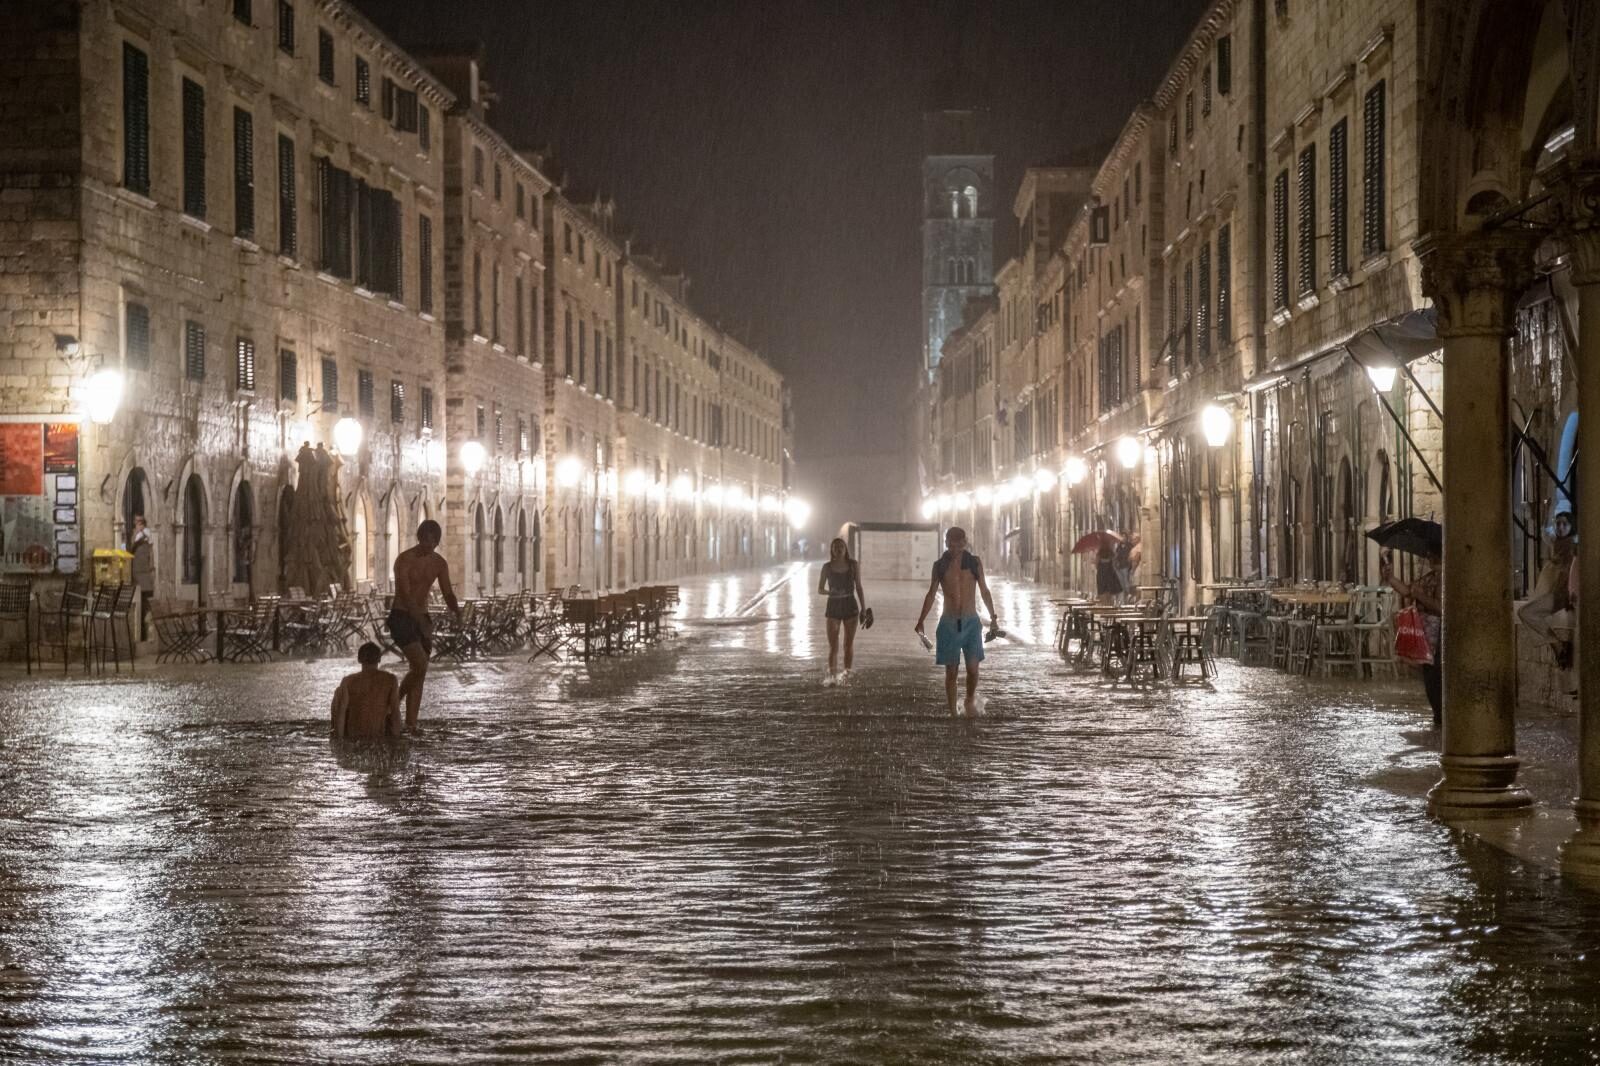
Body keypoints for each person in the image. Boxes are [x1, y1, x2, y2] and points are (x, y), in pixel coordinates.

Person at [914, 526, 998, 715]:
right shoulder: (940, 565)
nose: (955, 551)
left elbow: (984, 590)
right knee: (951, 672)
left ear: (965, 543)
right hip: (949, 623)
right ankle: (953, 713)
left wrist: (993, 617)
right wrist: (921, 620)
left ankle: (969, 701)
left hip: (971, 622)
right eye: (952, 546)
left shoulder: (974, 563)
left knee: (973, 669)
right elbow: (931, 594)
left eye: (959, 546)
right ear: (946, 544)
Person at [389, 519, 460, 731]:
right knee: (420, 664)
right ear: (418, 538)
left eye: (432, 543)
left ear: (437, 542)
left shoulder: (439, 563)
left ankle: (411, 723)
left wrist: (456, 611)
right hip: (401, 616)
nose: (428, 547)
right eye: (424, 541)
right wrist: (419, 621)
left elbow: (447, 592)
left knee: (419, 673)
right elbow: (405, 593)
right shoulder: (404, 560)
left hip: (423, 616)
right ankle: (393, 704)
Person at [1383, 548, 1441, 729]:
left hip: (1439, 634)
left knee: (1436, 676)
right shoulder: (1430, 577)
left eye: (1433, 554)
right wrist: (1391, 579)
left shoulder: (1446, 579)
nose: (1429, 557)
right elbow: (1408, 591)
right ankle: (1438, 717)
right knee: (1429, 675)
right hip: (1427, 634)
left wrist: (1420, 595)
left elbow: (1441, 608)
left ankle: (1441, 717)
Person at [1517, 511, 1575, 669]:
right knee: (1525, 613)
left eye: (1565, 524)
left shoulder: (1572, 546)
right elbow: (1544, 532)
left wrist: (1570, 595)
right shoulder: (1555, 543)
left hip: (1562, 595)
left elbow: (1572, 574)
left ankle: (1557, 645)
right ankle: (1556, 645)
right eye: (1558, 524)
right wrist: (1546, 511)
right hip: (1552, 593)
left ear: (1571, 526)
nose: (1561, 527)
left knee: (1525, 613)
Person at [817, 537, 866, 684]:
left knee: (848, 644)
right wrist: (830, 593)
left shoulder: (853, 565)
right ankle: (832, 677)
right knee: (833, 645)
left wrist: (864, 608)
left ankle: (846, 674)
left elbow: (859, 587)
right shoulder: (826, 567)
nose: (838, 549)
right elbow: (820, 589)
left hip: (850, 605)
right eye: (835, 547)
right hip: (833, 606)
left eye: (841, 547)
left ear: (845, 549)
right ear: (831, 550)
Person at [331, 642, 401, 739]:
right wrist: (397, 740)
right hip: (378, 737)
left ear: (359, 659)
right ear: (379, 659)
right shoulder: (390, 680)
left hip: (354, 737)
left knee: (338, 693)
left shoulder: (348, 681)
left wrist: (339, 741)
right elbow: (395, 712)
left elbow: (341, 712)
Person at [128, 514, 154, 641]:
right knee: (143, 605)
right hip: (140, 576)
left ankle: (147, 634)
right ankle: (144, 634)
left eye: (137, 522)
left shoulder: (143, 537)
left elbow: (132, 550)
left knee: (145, 605)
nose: (136, 524)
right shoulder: (141, 536)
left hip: (142, 576)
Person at [1095, 534, 1121, 605]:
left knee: (1102, 591)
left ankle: (1104, 606)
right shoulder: (1111, 553)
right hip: (1110, 573)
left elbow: (1096, 564)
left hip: (1101, 574)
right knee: (1109, 592)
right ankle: (1109, 605)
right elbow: (1115, 563)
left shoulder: (1099, 553)